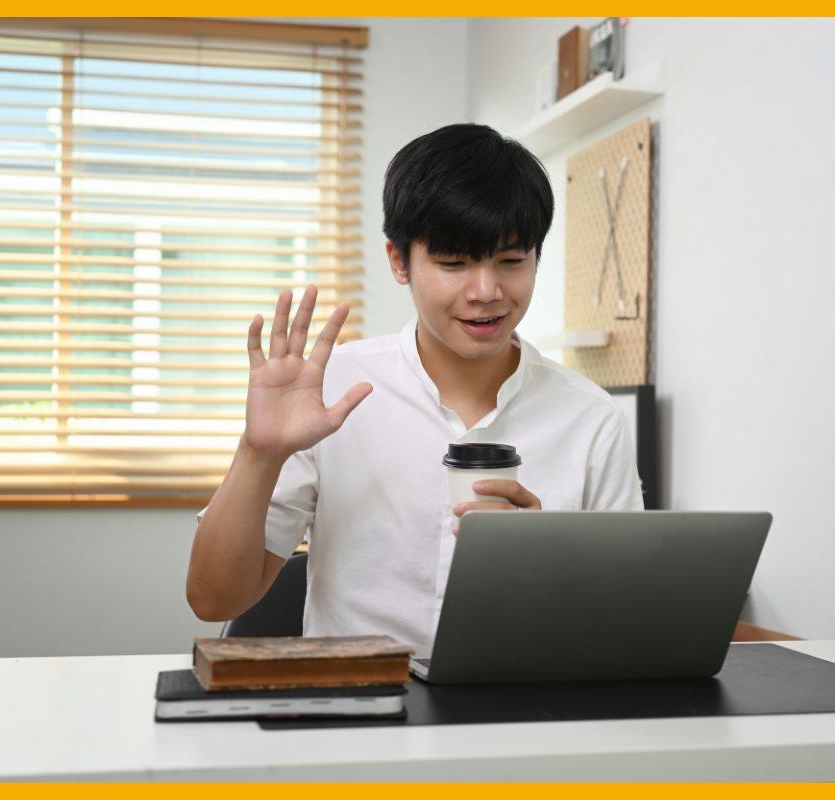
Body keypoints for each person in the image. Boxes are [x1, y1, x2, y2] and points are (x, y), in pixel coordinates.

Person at [187, 123, 643, 652]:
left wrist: (545, 565)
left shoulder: (591, 419)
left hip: (521, 719)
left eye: (512, 261)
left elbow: (624, 623)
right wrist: (258, 454)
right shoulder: (333, 394)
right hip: (361, 716)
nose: (487, 292)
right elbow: (213, 600)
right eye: (454, 264)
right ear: (399, 261)